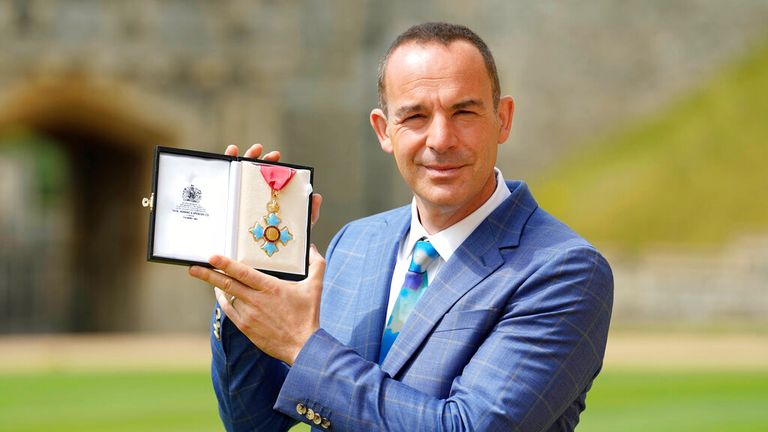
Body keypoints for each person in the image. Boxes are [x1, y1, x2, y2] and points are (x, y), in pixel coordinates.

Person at [189, 22, 613, 431]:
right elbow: (253, 423)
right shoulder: (354, 243)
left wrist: (303, 346)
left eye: (463, 111)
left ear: (503, 118)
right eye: (415, 116)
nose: (441, 139)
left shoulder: (564, 270)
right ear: (384, 129)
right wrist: (247, 281)